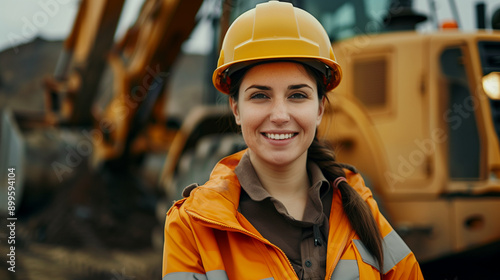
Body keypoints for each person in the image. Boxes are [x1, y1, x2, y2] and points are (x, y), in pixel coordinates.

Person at [162, 1, 423, 279]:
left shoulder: (361, 209)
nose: (279, 115)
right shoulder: (191, 226)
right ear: (236, 109)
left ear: (320, 108)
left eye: (297, 95)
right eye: (260, 95)